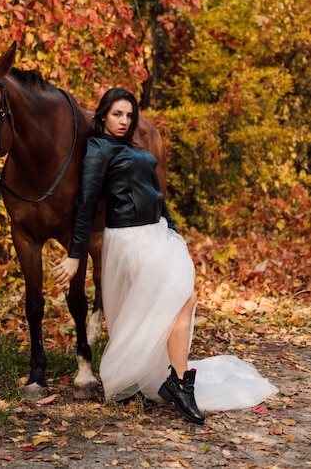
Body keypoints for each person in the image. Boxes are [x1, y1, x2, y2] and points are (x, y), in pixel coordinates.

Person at [54, 88, 278, 424]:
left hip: (157, 232)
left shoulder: (131, 147)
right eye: (117, 114)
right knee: (179, 299)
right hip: (129, 237)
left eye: (129, 115)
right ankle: (178, 382)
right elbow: (86, 205)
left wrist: (171, 227)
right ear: (102, 115)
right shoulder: (98, 150)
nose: (124, 121)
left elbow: (154, 192)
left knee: (179, 300)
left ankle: (172, 378)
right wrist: (75, 255)